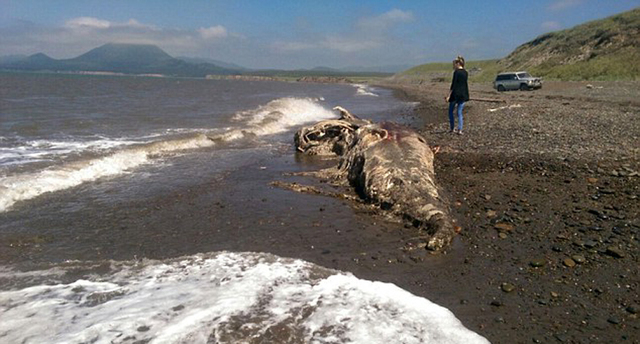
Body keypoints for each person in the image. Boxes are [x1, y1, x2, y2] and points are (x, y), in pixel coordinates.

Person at [445, 56, 469, 135]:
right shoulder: (465, 72)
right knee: (459, 112)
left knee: (451, 111)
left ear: (458, 63)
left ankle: (452, 128)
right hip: (463, 94)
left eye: (455, 64)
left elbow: (453, 85)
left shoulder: (456, 72)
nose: (454, 65)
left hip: (455, 94)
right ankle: (460, 129)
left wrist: (448, 95)